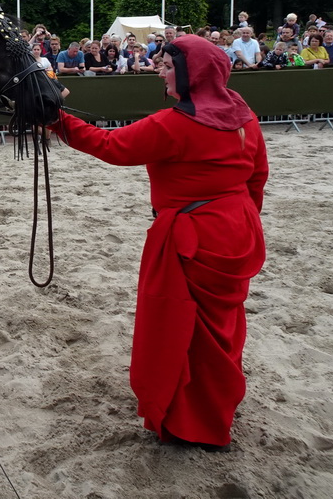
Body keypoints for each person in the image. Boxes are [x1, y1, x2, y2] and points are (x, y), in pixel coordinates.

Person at [49, 34, 268, 448]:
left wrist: (55, 119)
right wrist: (241, 218)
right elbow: (257, 178)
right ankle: (217, 404)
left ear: (192, 72)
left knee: (182, 330)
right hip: (238, 228)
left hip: (193, 236)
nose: (160, 71)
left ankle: (192, 422)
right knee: (222, 328)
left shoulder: (176, 124)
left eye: (168, 66)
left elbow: (109, 145)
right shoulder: (246, 117)